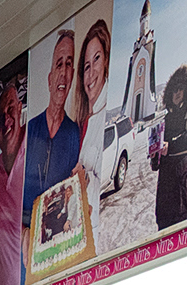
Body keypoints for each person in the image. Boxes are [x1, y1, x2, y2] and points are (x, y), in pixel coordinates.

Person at [22, 31, 83, 240]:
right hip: (26, 232)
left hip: (57, 234)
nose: (63, 72)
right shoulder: (30, 130)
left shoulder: (73, 133)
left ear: (72, 76)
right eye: (59, 64)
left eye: (68, 64)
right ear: (50, 80)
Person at [0, 82, 27, 285]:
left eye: (10, 109)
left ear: (20, 109)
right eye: (1, 117)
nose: (6, 119)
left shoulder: (33, 154)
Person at [155, 64, 187, 229]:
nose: (177, 93)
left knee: (181, 228)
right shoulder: (166, 119)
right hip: (165, 186)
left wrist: (170, 146)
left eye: (181, 89)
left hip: (181, 179)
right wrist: (155, 155)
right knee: (163, 227)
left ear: (186, 89)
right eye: (174, 90)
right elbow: (157, 163)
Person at [72, 19, 113, 193]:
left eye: (96, 59)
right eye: (86, 66)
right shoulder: (81, 122)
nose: (91, 73)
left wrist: (85, 178)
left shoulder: (106, 117)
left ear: (106, 60)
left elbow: (104, 179)